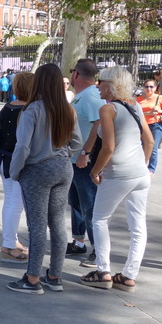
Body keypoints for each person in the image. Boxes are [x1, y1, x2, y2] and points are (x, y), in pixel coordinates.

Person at [6, 63, 82, 294]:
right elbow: (77, 142)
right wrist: (63, 154)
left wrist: (15, 171)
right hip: (62, 168)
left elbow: (22, 146)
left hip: (37, 170)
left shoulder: (32, 110)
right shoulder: (67, 109)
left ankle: (32, 279)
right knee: (58, 223)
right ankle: (55, 276)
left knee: (37, 225)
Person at [80, 67, 153, 291]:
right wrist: (142, 164)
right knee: (138, 225)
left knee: (99, 219)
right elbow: (149, 141)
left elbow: (109, 147)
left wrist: (95, 171)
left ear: (110, 85)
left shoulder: (108, 109)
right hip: (140, 174)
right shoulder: (135, 105)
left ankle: (103, 271)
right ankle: (129, 276)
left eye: (100, 81)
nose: (96, 85)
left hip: (118, 173)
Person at [67, 59, 106, 265]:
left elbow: (100, 124)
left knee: (89, 205)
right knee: (75, 202)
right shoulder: (83, 96)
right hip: (74, 159)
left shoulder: (91, 96)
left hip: (84, 160)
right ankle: (78, 241)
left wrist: (85, 152)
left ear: (76, 75)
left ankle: (98, 250)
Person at [0, 72, 34, 263]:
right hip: (16, 161)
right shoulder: (27, 110)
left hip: (3, 159)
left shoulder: (8, 107)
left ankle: (10, 240)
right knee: (15, 203)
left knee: (10, 200)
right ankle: (9, 244)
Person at [136, 78, 162, 174]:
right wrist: (149, 112)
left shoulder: (159, 98)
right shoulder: (138, 99)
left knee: (153, 147)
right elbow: (136, 113)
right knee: (141, 146)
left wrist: (159, 111)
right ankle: (141, 165)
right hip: (142, 125)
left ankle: (151, 169)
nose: (149, 89)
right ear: (143, 88)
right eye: (146, 86)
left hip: (156, 125)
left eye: (151, 87)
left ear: (155, 87)